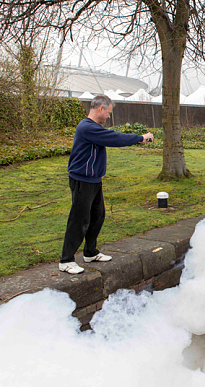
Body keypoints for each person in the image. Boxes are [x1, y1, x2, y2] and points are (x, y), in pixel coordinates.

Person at [59, 95, 153, 274]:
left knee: (97, 216)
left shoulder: (94, 128)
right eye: (108, 112)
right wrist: (140, 137)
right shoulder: (87, 127)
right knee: (79, 220)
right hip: (82, 180)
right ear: (100, 109)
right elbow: (114, 138)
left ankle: (90, 252)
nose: (109, 116)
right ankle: (66, 260)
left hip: (94, 180)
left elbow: (110, 138)